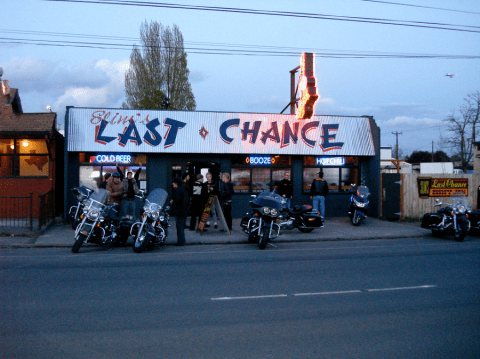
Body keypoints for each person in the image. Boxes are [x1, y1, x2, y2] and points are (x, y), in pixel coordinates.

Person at [170, 177, 189, 246]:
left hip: (179, 211)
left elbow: (178, 200)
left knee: (179, 226)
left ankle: (181, 241)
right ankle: (181, 241)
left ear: (176, 183)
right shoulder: (182, 189)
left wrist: (173, 201)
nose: (172, 184)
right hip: (182, 210)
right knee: (180, 226)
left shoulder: (178, 190)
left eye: (173, 182)